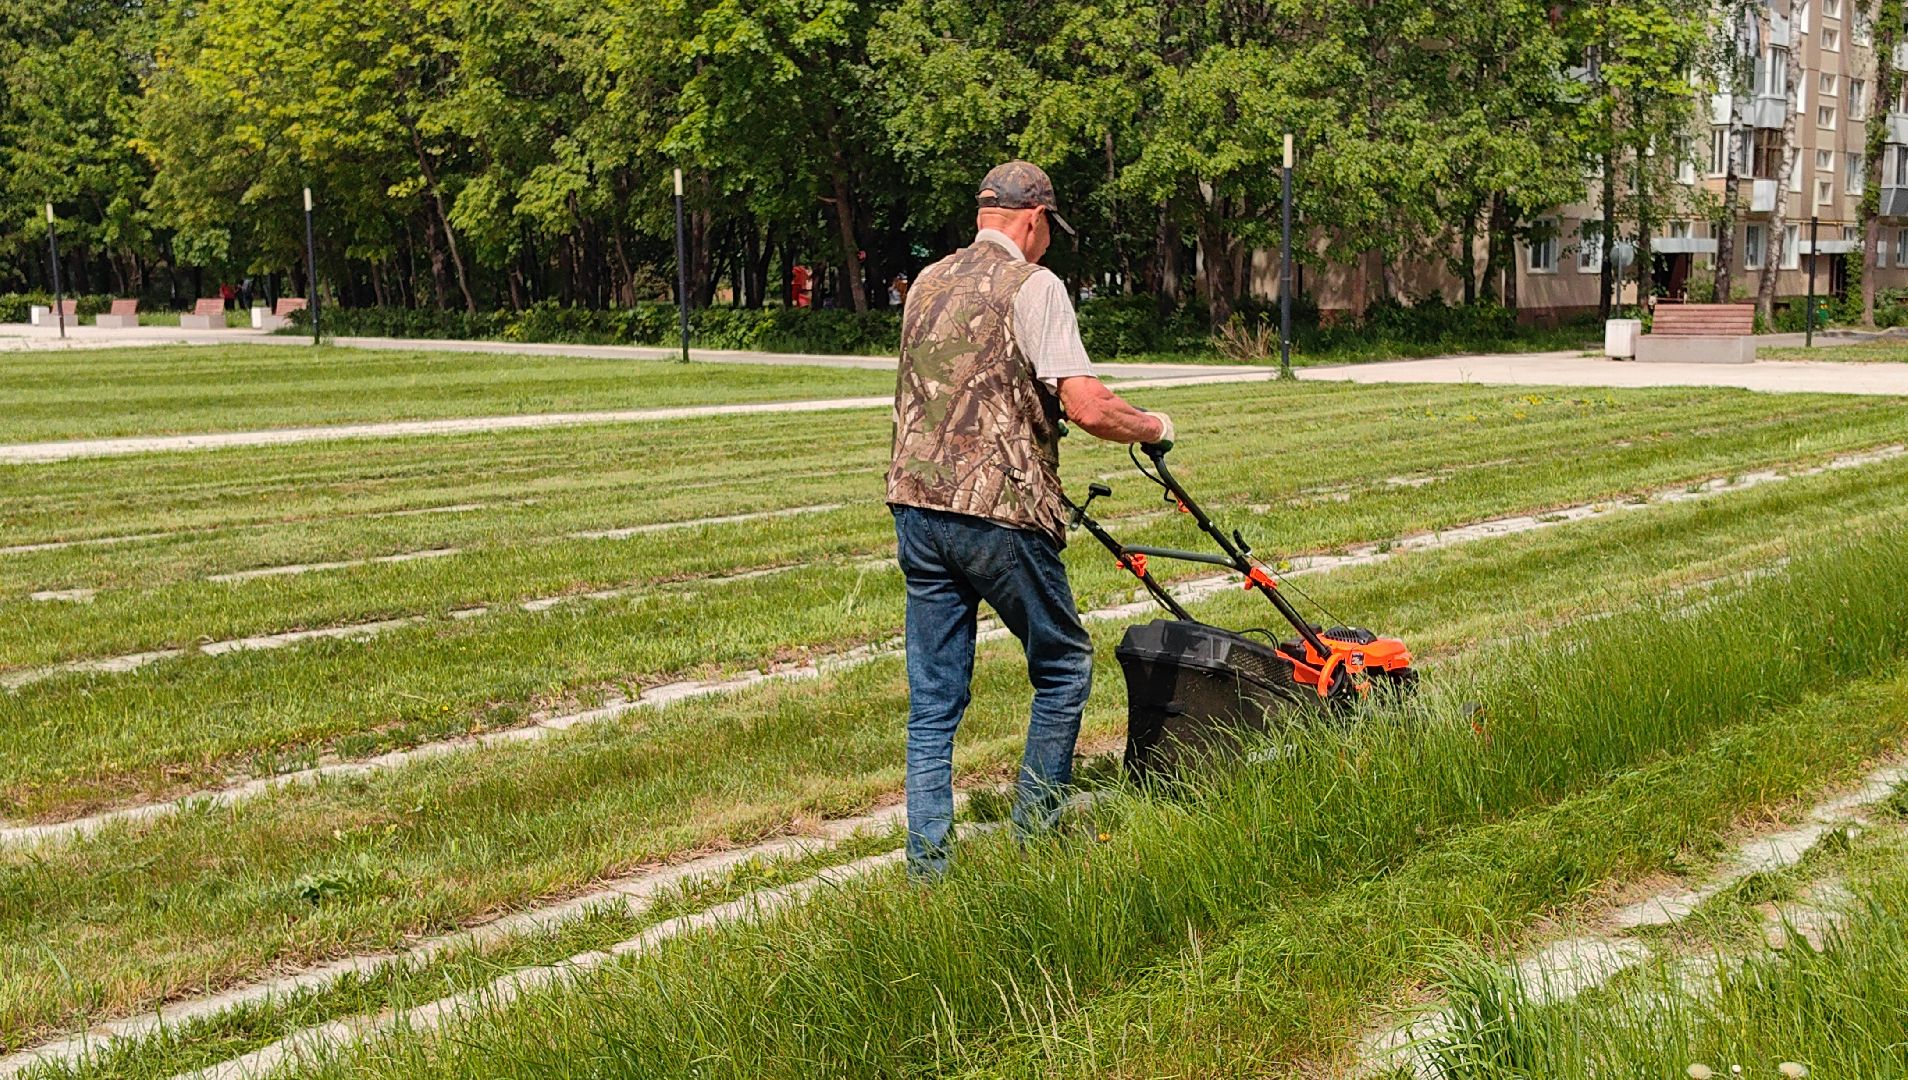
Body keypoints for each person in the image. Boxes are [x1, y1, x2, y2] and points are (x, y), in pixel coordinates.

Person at [887, 160, 1175, 879]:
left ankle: (928, 867)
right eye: (1050, 229)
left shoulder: (926, 281)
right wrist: (1153, 426)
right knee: (1063, 664)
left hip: (916, 506)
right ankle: (1035, 838)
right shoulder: (1034, 285)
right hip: (998, 516)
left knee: (934, 698)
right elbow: (1087, 404)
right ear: (1033, 220)